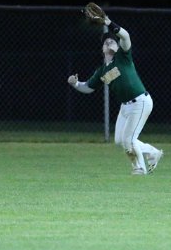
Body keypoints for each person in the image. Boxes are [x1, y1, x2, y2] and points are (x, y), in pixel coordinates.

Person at [67, 14, 163, 175]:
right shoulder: (103, 71)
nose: (109, 42)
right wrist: (75, 84)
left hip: (140, 102)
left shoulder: (123, 57)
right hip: (125, 107)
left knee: (129, 139)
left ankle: (140, 168)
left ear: (118, 47)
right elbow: (89, 87)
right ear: (102, 49)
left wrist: (109, 23)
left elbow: (125, 36)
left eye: (112, 40)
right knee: (120, 140)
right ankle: (152, 152)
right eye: (106, 42)